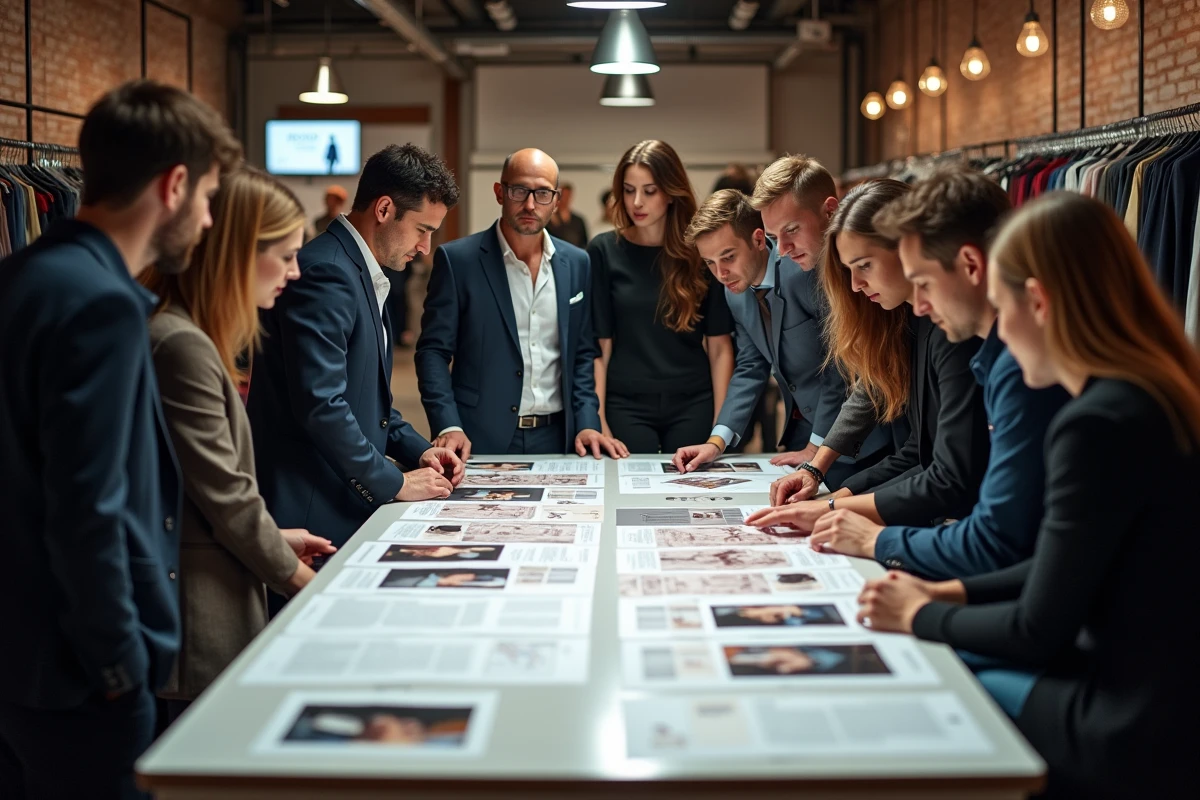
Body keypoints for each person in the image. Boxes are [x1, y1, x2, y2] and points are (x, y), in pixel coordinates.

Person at [857, 192, 1200, 798]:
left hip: (1129, 721)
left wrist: (919, 613)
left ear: (1037, 302)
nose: (999, 337)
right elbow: (1061, 564)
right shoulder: (1150, 392)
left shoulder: (1095, 423)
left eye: (1003, 307)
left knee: (933, 680)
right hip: (1159, 694)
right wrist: (948, 591)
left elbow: (1038, 626)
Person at [0, 80, 240, 800]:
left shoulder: (22, 276)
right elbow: (90, 507)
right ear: (173, 185)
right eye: (206, 199)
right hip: (80, 672)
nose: (205, 222)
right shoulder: (102, 304)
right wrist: (120, 667)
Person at [801, 167, 1070, 581]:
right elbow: (923, 451)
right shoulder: (989, 353)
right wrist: (837, 497)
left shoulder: (1012, 367)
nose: (920, 305)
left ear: (970, 265)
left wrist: (853, 522)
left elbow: (986, 524)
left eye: (922, 280)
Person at [140, 167, 338, 723]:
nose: (295, 272)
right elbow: (226, 498)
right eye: (286, 255)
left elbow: (198, 490)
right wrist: (307, 585)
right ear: (236, 253)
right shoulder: (181, 346)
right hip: (197, 616)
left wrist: (276, 536)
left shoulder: (193, 338)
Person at [248, 144, 464, 550]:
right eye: (423, 230)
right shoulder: (328, 271)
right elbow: (322, 405)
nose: (425, 248)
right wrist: (395, 481)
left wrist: (420, 452)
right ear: (383, 209)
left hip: (339, 491)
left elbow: (367, 395)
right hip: (311, 502)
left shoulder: (360, 269)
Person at [748, 179, 990, 533]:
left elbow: (948, 478)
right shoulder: (917, 321)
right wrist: (826, 491)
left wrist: (833, 506)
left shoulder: (948, 331)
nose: (855, 286)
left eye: (864, 266)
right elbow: (917, 452)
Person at [417, 148, 624, 458]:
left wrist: (587, 422)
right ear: (500, 192)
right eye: (519, 190)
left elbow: (583, 353)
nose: (530, 204)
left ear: (556, 200)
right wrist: (448, 425)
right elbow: (433, 351)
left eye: (542, 193)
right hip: (479, 436)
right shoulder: (459, 261)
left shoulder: (577, 263)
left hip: (562, 437)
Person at [672, 185, 852, 482]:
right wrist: (716, 442)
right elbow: (751, 365)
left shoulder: (803, 272)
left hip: (850, 438)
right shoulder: (735, 293)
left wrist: (818, 447)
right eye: (710, 263)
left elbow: (839, 366)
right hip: (801, 436)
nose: (720, 274)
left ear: (758, 239)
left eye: (728, 257)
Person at [591, 140, 735, 453]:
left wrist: (721, 427)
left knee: (690, 493)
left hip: (693, 400)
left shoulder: (700, 252)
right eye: (629, 190)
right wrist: (598, 420)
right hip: (626, 402)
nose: (637, 202)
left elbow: (719, 346)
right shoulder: (604, 251)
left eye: (649, 190)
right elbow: (600, 346)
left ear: (670, 192)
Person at [546, 181, 589, 247]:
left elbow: (584, 243)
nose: (563, 199)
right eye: (562, 196)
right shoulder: (547, 220)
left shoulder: (578, 221)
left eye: (567, 196)